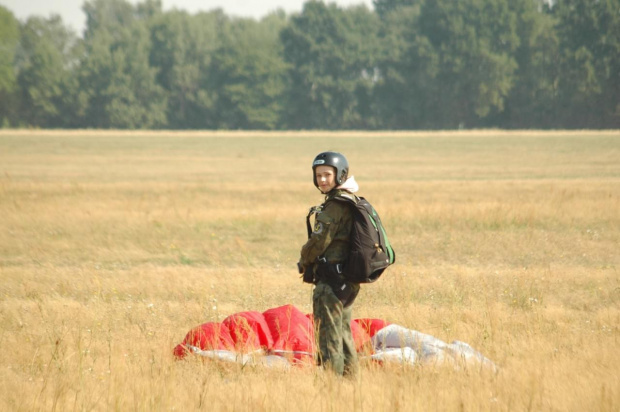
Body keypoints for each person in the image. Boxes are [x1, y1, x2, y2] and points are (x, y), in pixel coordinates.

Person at [297, 151, 361, 376]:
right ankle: (353, 389)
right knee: (343, 337)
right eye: (318, 175)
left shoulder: (336, 204)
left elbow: (319, 241)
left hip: (331, 283)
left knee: (329, 339)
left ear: (340, 175)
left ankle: (332, 390)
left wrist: (304, 260)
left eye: (327, 175)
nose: (322, 180)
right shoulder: (350, 199)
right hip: (346, 281)